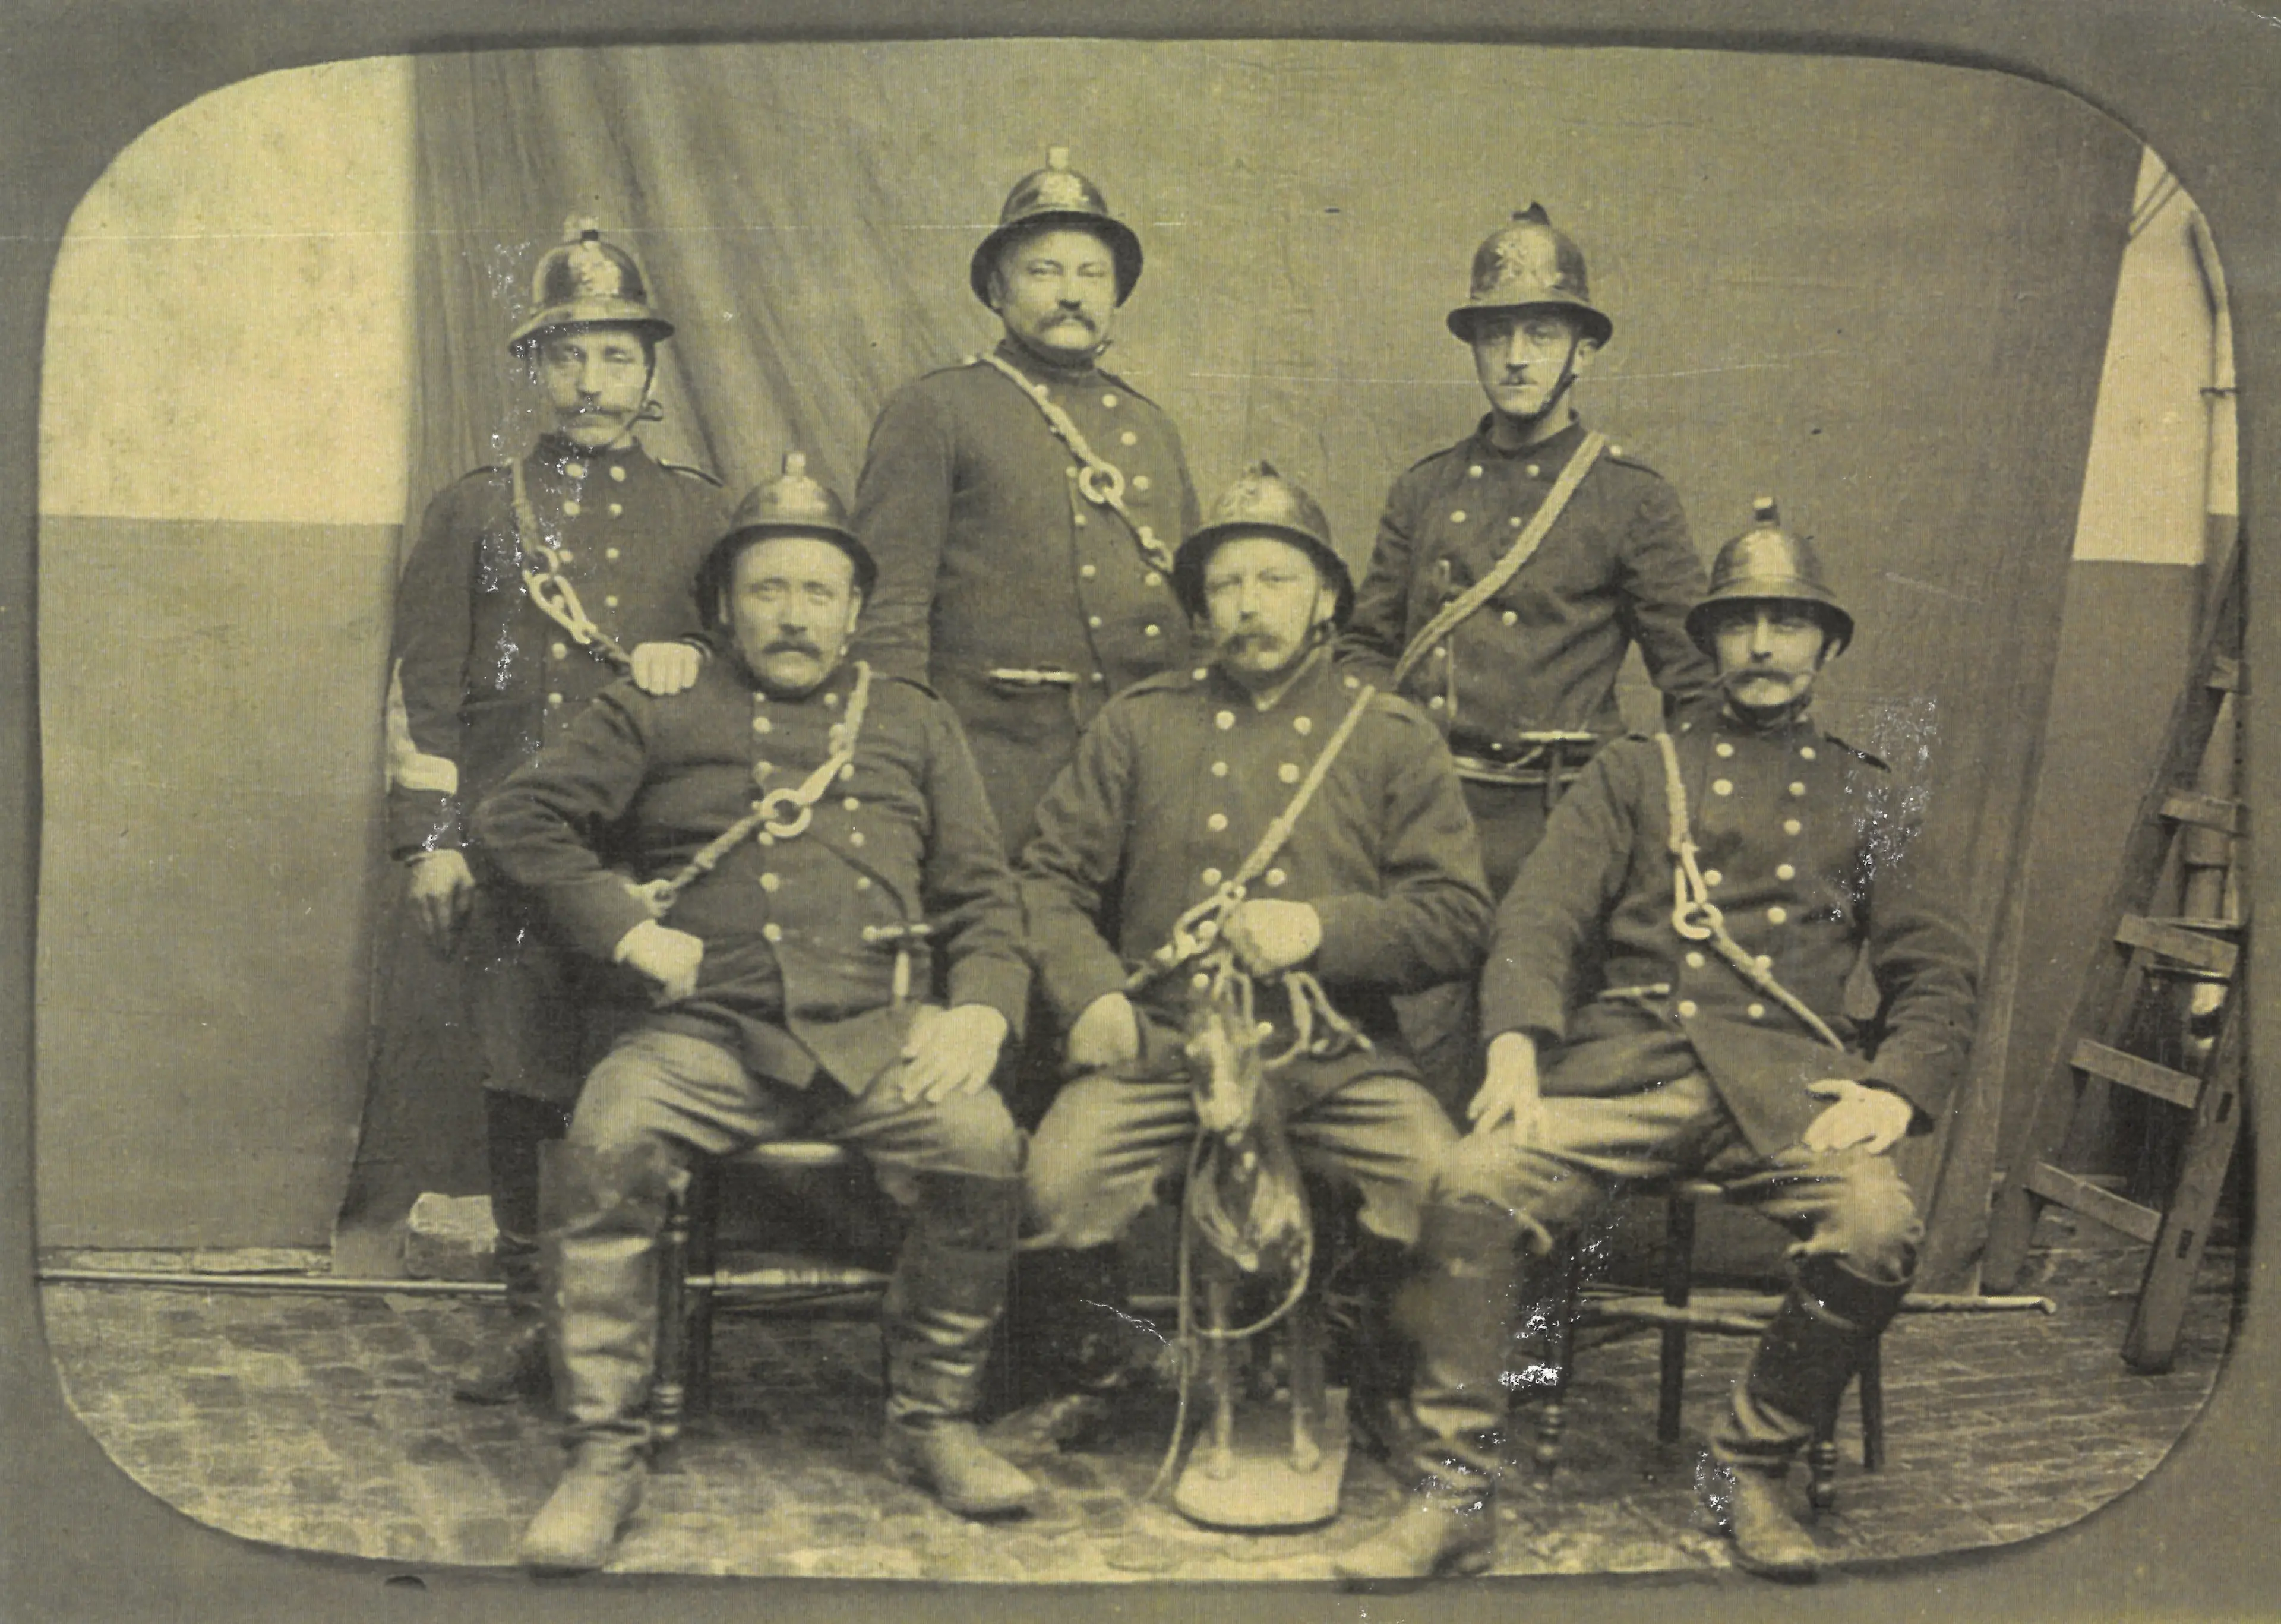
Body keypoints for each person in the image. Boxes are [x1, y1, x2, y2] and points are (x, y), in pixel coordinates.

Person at [1339, 501, 1978, 1581]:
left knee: (1874, 1222)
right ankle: (1453, 1487)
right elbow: (1539, 918)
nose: (1764, 644)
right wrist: (1513, 1048)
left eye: (1788, 621)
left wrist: (1900, 1089)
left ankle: (1747, 1468)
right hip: (1625, 1068)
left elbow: (1939, 970)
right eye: (1740, 623)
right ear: (1709, 640)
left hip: (1782, 1086)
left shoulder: (1871, 795)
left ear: (1825, 642)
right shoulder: (1637, 771)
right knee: (1472, 1176)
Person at [473, 456, 1038, 1573]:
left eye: (818, 592)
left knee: (983, 1144)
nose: (793, 614)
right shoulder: (659, 703)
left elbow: (984, 896)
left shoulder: (914, 722)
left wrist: (980, 1012)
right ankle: (603, 1449)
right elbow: (516, 821)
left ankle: (933, 1419)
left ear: (857, 610)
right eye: (769, 589)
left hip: (876, 1033)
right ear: (727, 603)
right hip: (704, 1032)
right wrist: (630, 931)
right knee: (609, 1135)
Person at [1019, 463, 1492, 1448]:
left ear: (1325, 597)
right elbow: (1047, 879)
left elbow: (1456, 916)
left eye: (1276, 579)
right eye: (1227, 584)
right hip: (1169, 1043)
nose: (1250, 604)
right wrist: (1091, 992)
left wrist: (1324, 929)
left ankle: (1378, 1384)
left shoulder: (1389, 734)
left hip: (1335, 1051)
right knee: (1057, 1184)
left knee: (1443, 1184)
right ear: (1201, 603)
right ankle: (1113, 1366)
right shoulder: (1141, 724)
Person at [386, 217, 729, 1405]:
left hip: (652, 854)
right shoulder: (478, 509)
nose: (595, 380)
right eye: (571, 354)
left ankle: (641, 1319)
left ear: (649, 374)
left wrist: (690, 654)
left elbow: (741, 687)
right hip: (510, 853)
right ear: (536, 368)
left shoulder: (701, 516)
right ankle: (536, 1317)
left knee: (650, 1074)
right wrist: (431, 844)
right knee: (525, 1081)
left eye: (619, 356)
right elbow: (424, 690)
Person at [1338, 207, 1717, 1107]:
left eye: (1542, 332)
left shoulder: (1631, 500)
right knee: (1412, 1067)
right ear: (1472, 347)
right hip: (1429, 821)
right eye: (1496, 332)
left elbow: (1696, 688)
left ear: (1583, 352)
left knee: (1538, 1073)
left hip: (1565, 827)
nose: (1516, 356)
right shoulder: (1425, 488)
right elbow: (1363, 649)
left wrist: (1674, 841)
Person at [849, 146, 1199, 862]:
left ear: (1115, 295)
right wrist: (903, 775)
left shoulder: (1152, 428)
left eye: (1092, 274)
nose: (1071, 293)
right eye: (1045, 271)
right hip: (989, 777)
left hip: (1139, 777)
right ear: (998, 291)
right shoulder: (936, 409)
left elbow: (1196, 613)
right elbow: (888, 616)